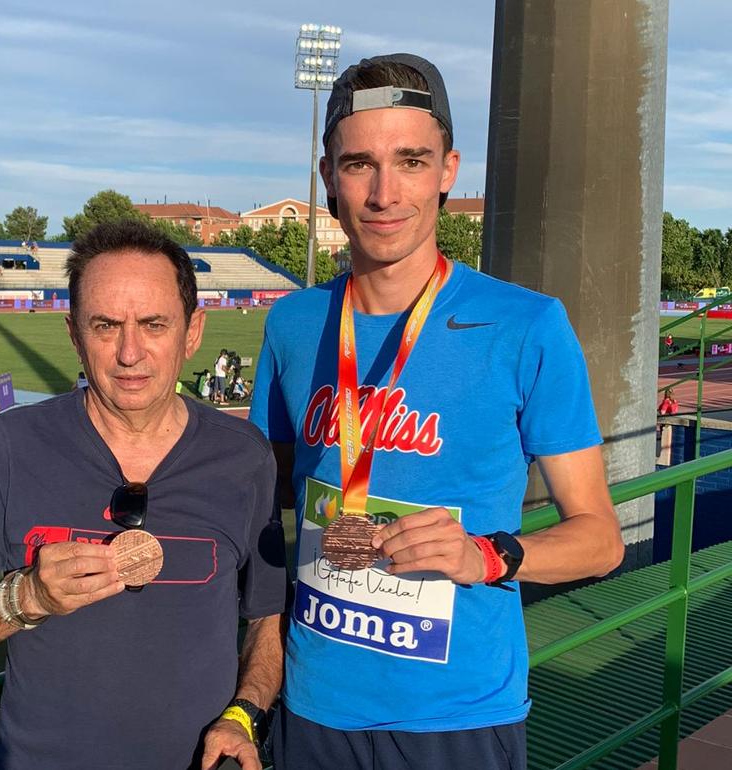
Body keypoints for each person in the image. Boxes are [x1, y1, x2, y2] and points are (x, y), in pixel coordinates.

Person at [248, 53, 623, 769]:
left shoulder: (528, 327)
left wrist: (487, 556)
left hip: (457, 718)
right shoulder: (292, 324)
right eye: (359, 164)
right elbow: (256, 505)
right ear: (328, 175)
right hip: (313, 703)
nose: (386, 193)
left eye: (411, 161)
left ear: (448, 169)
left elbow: (600, 539)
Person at [0, 220, 285, 770]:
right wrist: (26, 598)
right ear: (73, 333)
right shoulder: (16, 443)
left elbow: (267, 619)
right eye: (106, 325)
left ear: (193, 332)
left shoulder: (244, 456)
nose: (129, 353)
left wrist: (243, 714)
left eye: (154, 324)